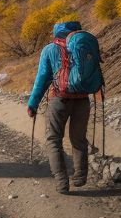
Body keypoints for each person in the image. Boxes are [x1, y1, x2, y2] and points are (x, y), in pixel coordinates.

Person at [27, 21, 91, 194]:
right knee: (78, 139)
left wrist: (33, 104)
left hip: (59, 99)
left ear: (57, 32)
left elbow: (42, 79)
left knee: (54, 140)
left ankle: (62, 182)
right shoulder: (84, 46)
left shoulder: (50, 49)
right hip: (83, 100)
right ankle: (80, 176)